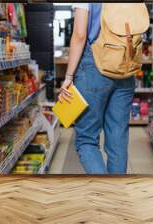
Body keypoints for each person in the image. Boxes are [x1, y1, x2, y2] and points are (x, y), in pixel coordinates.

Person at [58, 3, 136, 174]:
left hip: (94, 67)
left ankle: (103, 191)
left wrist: (69, 76)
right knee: (118, 140)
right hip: (125, 66)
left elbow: (79, 35)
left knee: (87, 139)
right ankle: (115, 194)